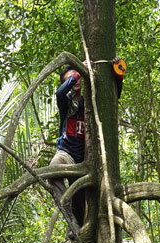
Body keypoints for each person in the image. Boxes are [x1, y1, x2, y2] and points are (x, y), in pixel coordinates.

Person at [49, 56, 124, 232]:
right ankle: (70, 222)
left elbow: (113, 99)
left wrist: (118, 76)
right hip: (66, 153)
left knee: (80, 204)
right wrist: (78, 73)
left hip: (85, 160)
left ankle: (81, 233)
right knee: (53, 171)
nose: (75, 81)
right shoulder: (66, 103)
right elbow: (59, 93)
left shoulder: (91, 102)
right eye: (70, 79)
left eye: (76, 76)